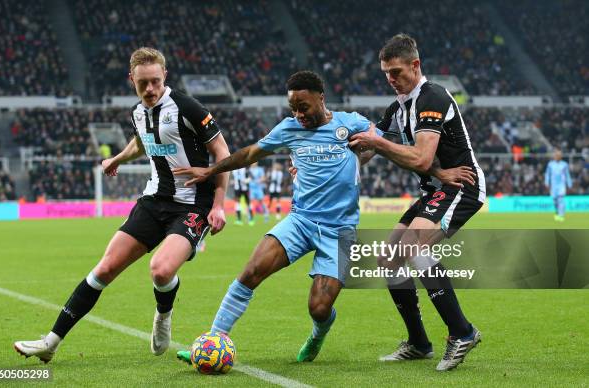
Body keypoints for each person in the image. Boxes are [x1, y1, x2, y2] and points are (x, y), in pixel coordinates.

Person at [175, 70, 472, 364]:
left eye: (303, 106)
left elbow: (397, 150)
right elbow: (250, 153)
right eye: (293, 107)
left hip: (340, 231)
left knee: (318, 307)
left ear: (321, 98)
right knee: (251, 272)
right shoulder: (288, 128)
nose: (298, 114)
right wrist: (212, 170)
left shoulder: (352, 124)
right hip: (300, 221)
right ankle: (213, 340)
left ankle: (318, 333)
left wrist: (436, 171)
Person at [13, 47, 230, 363]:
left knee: (160, 270)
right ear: (132, 79)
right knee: (105, 268)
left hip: (192, 205)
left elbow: (223, 153)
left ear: (165, 76)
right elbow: (142, 141)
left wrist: (219, 205)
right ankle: (50, 342)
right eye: (143, 84)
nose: (150, 89)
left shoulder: (187, 107)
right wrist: (118, 158)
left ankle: (163, 313)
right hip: (153, 201)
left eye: (155, 81)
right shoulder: (138, 112)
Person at [349, 34, 485, 371]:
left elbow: (422, 160)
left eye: (396, 72)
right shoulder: (397, 107)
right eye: (385, 73)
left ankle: (462, 332)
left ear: (415, 65)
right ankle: (419, 343)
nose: (390, 79)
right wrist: (342, 147)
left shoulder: (432, 97)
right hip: (436, 190)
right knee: (388, 260)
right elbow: (367, 150)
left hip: (462, 185)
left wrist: (378, 145)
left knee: (413, 248)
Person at [545, 148, 573, 221]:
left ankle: (561, 215)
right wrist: (546, 182)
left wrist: (569, 184)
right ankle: (557, 213)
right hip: (553, 185)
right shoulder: (550, 164)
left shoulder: (564, 164)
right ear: (554, 156)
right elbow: (547, 174)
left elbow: (567, 175)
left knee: (561, 199)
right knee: (554, 201)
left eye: (559, 155)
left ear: (561, 156)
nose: (557, 156)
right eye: (556, 155)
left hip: (561, 185)